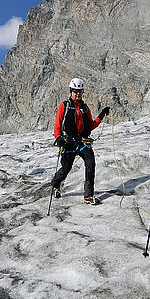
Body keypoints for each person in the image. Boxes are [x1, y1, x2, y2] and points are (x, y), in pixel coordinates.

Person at [51, 77, 110, 205]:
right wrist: (59, 138)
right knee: (66, 168)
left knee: (90, 164)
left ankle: (88, 195)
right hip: (68, 142)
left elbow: (90, 125)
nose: (77, 94)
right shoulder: (64, 106)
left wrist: (101, 116)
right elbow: (57, 126)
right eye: (75, 91)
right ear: (71, 91)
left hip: (82, 141)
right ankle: (55, 184)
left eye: (80, 92)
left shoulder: (85, 108)